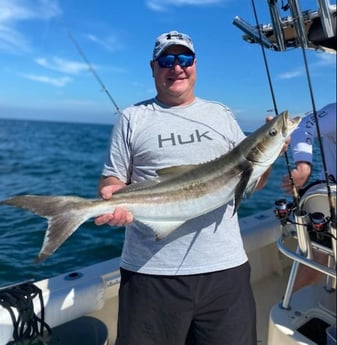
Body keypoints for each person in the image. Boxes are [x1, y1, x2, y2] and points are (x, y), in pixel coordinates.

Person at [95, 30, 278, 345]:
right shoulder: (132, 117)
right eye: (166, 59)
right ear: (153, 67)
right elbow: (113, 178)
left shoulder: (221, 114)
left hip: (226, 271)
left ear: (195, 65)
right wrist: (112, 195)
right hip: (150, 274)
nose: (176, 67)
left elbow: (251, 183)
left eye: (184, 58)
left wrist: (272, 153)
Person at [282, 102, 336, 291]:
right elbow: (304, 125)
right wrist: (303, 165)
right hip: (327, 204)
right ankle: (286, 302)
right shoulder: (334, 111)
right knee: (317, 264)